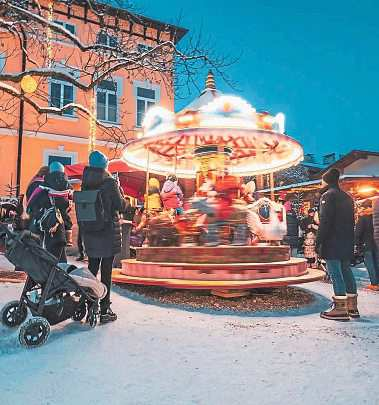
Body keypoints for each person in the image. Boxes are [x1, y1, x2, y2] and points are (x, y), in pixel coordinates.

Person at [80, 150, 126, 323]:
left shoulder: (86, 182)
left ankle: (89, 305)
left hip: (90, 232)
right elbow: (120, 205)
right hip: (107, 233)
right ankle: (105, 310)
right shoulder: (109, 182)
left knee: (92, 270)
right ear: (105, 165)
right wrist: (121, 193)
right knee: (106, 272)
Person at [316, 168, 358, 321]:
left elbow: (325, 221)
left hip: (332, 240)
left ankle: (340, 308)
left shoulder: (328, 196)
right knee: (346, 271)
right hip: (346, 239)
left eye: (322, 181)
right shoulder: (347, 197)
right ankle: (352, 306)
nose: (321, 184)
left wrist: (318, 241)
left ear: (326, 181)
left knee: (335, 272)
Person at [27, 162, 72, 262]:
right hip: (59, 226)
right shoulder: (68, 187)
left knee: (37, 256)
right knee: (59, 257)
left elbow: (31, 204)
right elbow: (69, 206)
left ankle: (35, 275)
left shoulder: (41, 186)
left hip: (41, 225)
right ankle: (60, 274)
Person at [355, 199, 379, 291]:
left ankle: (374, 283)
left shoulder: (363, 218)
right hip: (376, 243)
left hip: (366, 244)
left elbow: (358, 233)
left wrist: (357, 244)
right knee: (377, 262)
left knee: (370, 264)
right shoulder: (375, 215)